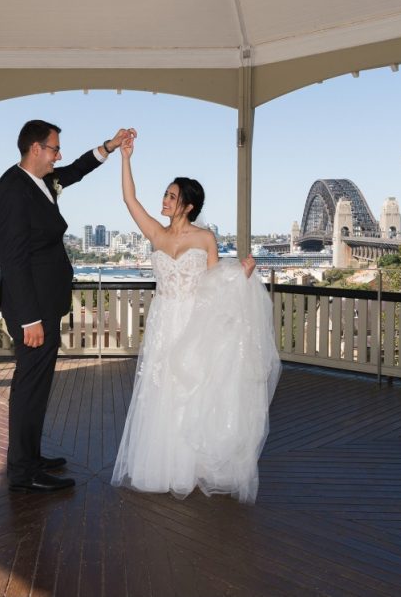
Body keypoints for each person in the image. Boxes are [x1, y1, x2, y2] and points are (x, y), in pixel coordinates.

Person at [110, 136, 281, 504]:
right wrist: (125, 158)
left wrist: (244, 273)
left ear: (187, 205)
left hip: (192, 321)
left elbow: (216, 284)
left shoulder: (206, 239)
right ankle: (159, 466)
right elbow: (129, 199)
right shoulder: (155, 233)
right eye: (166, 195)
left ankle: (190, 465)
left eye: (171, 197)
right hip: (162, 321)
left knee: (191, 388)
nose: (164, 200)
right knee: (160, 389)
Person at [0, 119, 135, 493]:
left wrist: (110, 145)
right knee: (29, 387)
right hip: (32, 311)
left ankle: (32, 457)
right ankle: (22, 472)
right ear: (35, 149)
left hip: (46, 304)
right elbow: (14, 260)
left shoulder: (42, 181)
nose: (59, 155)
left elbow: (76, 171)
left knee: (38, 387)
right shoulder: (11, 191)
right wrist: (29, 319)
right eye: (54, 148)